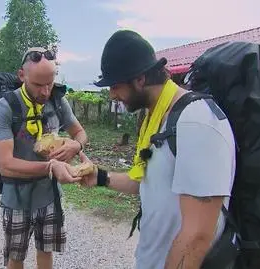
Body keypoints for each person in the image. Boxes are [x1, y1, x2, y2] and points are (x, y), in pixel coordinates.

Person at [79, 30, 237, 269]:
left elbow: (198, 236)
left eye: (116, 85)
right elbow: (151, 182)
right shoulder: (159, 118)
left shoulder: (196, 121)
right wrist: (100, 176)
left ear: (140, 79)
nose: (111, 94)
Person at [0, 47, 88, 269]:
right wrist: (51, 167)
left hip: (49, 196)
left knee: (46, 251)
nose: (45, 92)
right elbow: (5, 166)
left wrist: (76, 144)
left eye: (50, 83)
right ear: (22, 75)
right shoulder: (5, 108)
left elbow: (80, 133)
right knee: (16, 257)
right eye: (38, 85)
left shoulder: (57, 101)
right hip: (17, 198)